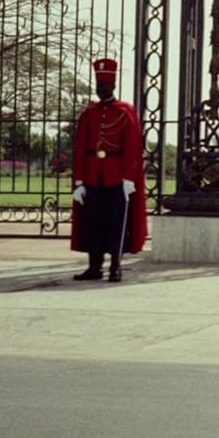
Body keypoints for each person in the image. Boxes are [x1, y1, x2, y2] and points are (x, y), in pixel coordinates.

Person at [70, 58, 147, 282]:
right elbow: (80, 149)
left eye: (104, 87)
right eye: (98, 87)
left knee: (116, 222)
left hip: (116, 175)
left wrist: (128, 178)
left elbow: (132, 148)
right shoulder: (89, 114)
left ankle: (115, 266)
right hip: (93, 174)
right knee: (93, 221)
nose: (101, 91)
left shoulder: (125, 111)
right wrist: (79, 181)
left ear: (112, 86)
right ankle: (95, 267)